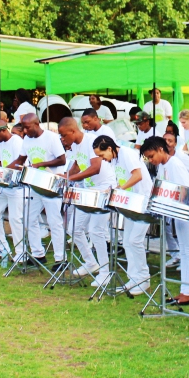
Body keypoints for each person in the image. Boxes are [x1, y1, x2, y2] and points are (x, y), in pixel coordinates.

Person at [141, 137, 189, 306]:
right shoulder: (164, 166)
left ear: (160, 149)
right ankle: (184, 292)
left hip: (187, 211)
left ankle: (187, 294)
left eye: (152, 156)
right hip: (179, 213)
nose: (151, 160)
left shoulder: (174, 164)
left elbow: (184, 190)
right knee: (186, 250)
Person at [59, 117, 115, 287]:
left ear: (73, 131)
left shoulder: (91, 141)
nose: (62, 139)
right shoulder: (75, 146)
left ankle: (105, 272)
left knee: (96, 230)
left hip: (104, 188)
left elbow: (95, 167)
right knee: (73, 229)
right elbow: (77, 165)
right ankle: (91, 263)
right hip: (89, 190)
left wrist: (72, 178)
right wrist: (65, 176)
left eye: (63, 135)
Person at [94, 135, 152, 296]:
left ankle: (143, 279)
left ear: (110, 149)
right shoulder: (114, 160)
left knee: (135, 240)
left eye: (101, 155)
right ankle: (133, 278)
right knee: (127, 242)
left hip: (143, 201)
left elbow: (137, 176)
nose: (102, 159)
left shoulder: (127, 153)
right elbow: (124, 179)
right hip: (130, 202)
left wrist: (120, 189)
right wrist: (114, 189)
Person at [11, 114, 67, 271]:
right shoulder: (27, 140)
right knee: (29, 217)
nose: (25, 131)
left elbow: (62, 159)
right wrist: (4, 171)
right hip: (36, 184)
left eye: (28, 127)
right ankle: (38, 254)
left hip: (51, 184)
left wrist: (40, 164)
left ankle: (60, 259)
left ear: (37, 124)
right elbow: (20, 159)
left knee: (54, 221)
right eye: (24, 128)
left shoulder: (51, 138)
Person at [0, 120, 41, 263]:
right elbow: (0, 161)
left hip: (17, 187)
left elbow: (21, 164)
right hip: (4, 185)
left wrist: (4, 171)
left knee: (15, 219)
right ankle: (2, 248)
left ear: (3, 130)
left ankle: (21, 252)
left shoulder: (17, 142)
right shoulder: (1, 144)